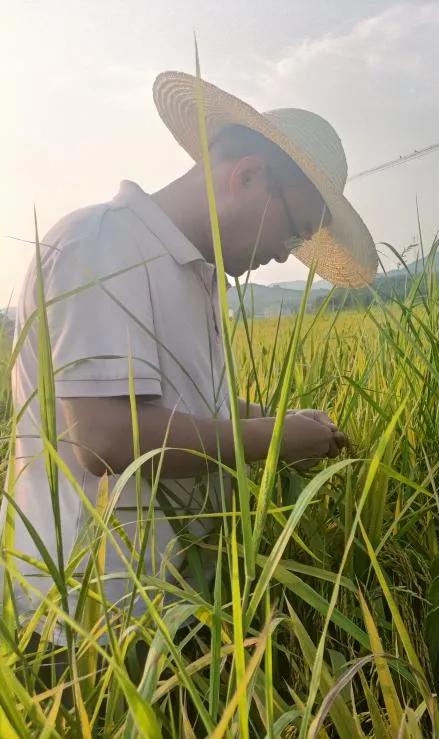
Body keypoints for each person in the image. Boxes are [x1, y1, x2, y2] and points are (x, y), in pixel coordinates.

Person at [2, 71, 379, 655]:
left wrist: (280, 419)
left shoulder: (197, 276)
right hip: (91, 622)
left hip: (173, 606)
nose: (286, 255)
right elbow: (108, 437)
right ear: (247, 175)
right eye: (293, 231)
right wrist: (277, 439)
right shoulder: (99, 245)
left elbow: (190, 407)